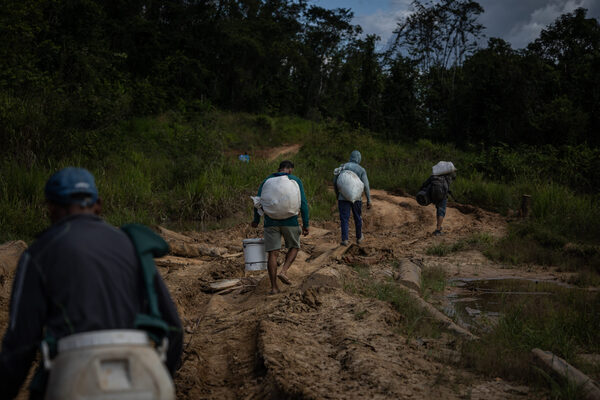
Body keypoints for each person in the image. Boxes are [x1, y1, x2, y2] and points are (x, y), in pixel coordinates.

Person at [0, 167, 183, 399]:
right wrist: (160, 373)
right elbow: (174, 327)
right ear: (98, 205)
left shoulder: (38, 253)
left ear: (51, 207)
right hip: (144, 372)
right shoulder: (131, 245)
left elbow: (21, 344)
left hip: (74, 375)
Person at [251, 160, 309, 294]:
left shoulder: (267, 181)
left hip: (270, 222)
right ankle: (283, 271)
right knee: (294, 246)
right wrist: (306, 224)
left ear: (279, 169)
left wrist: (256, 220)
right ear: (289, 169)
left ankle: (274, 287)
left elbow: (258, 202)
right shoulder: (295, 180)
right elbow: (303, 203)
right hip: (290, 221)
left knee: (273, 253)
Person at [333, 150, 371, 246]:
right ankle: (359, 237)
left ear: (350, 157)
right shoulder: (361, 170)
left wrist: (338, 194)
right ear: (359, 158)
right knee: (357, 217)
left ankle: (345, 239)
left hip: (343, 198)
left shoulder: (342, 166)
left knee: (344, 219)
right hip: (357, 199)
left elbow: (335, 181)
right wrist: (369, 200)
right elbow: (366, 186)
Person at [419, 171, 456, 235]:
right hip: (443, 196)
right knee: (441, 211)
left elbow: (425, 184)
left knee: (438, 209)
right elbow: (449, 184)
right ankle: (438, 230)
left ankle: (438, 227)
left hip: (434, 196)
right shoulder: (447, 177)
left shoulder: (433, 176)